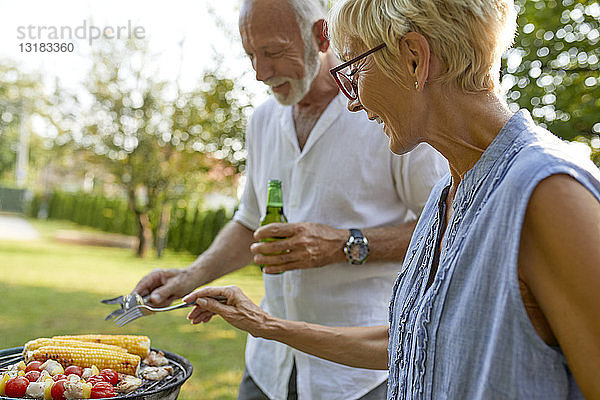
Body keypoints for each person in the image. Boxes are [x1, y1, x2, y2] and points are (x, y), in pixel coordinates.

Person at [183, 0, 600, 398]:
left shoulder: (548, 192)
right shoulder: (446, 194)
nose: (352, 100)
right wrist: (264, 323)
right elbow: (408, 343)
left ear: (414, 58)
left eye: (356, 68)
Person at [132, 0, 447, 399]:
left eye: (274, 52)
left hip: (359, 376)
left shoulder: (389, 111)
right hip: (268, 366)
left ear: (321, 35)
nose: (260, 72)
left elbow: (444, 224)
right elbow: (249, 223)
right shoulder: (262, 120)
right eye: (251, 55)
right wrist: (189, 277)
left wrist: (343, 244)